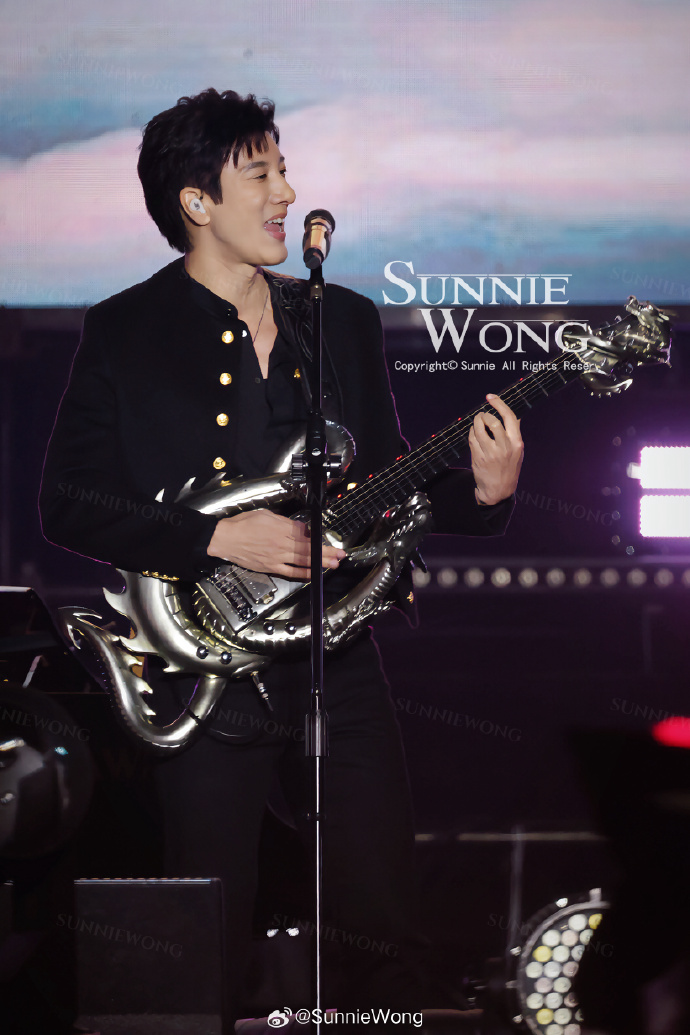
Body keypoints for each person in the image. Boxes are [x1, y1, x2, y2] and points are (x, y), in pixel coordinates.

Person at [39, 89, 523, 1026]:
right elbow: (70, 500)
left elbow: (383, 488)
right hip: (204, 676)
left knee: (383, 926)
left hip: (337, 664)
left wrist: (485, 496)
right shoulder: (125, 328)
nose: (287, 194)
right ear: (196, 201)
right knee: (202, 935)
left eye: (285, 170)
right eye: (261, 174)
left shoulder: (339, 319)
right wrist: (214, 535)